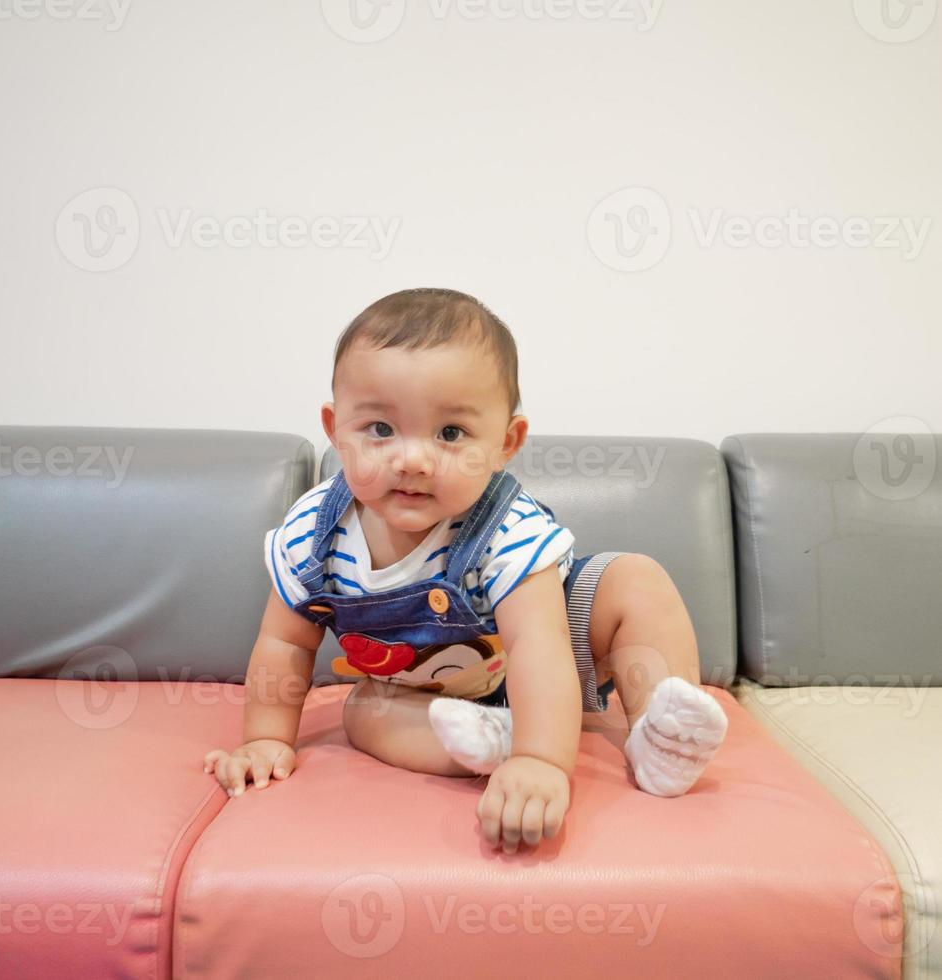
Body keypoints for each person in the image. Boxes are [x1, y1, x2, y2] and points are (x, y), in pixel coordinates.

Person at [204, 287, 728, 852]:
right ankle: (494, 741)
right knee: (363, 712)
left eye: (450, 433)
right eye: (379, 429)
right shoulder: (312, 534)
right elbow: (284, 645)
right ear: (336, 430)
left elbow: (538, 644)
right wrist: (265, 738)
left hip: (552, 659)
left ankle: (659, 733)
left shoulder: (506, 527)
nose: (412, 459)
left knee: (636, 579)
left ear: (505, 443)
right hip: (425, 699)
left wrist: (541, 760)